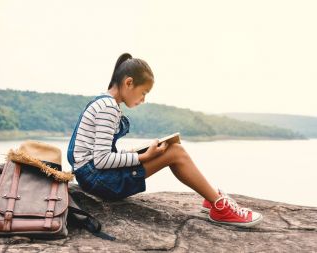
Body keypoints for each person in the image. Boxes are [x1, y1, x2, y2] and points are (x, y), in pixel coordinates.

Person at [67, 53, 263, 228]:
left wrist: (140, 152)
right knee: (176, 152)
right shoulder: (108, 107)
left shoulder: (103, 102)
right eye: (143, 92)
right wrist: (143, 158)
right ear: (129, 83)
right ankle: (219, 206)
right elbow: (101, 160)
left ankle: (211, 196)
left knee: (172, 149)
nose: (143, 99)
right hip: (99, 181)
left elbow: (100, 156)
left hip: (93, 177)